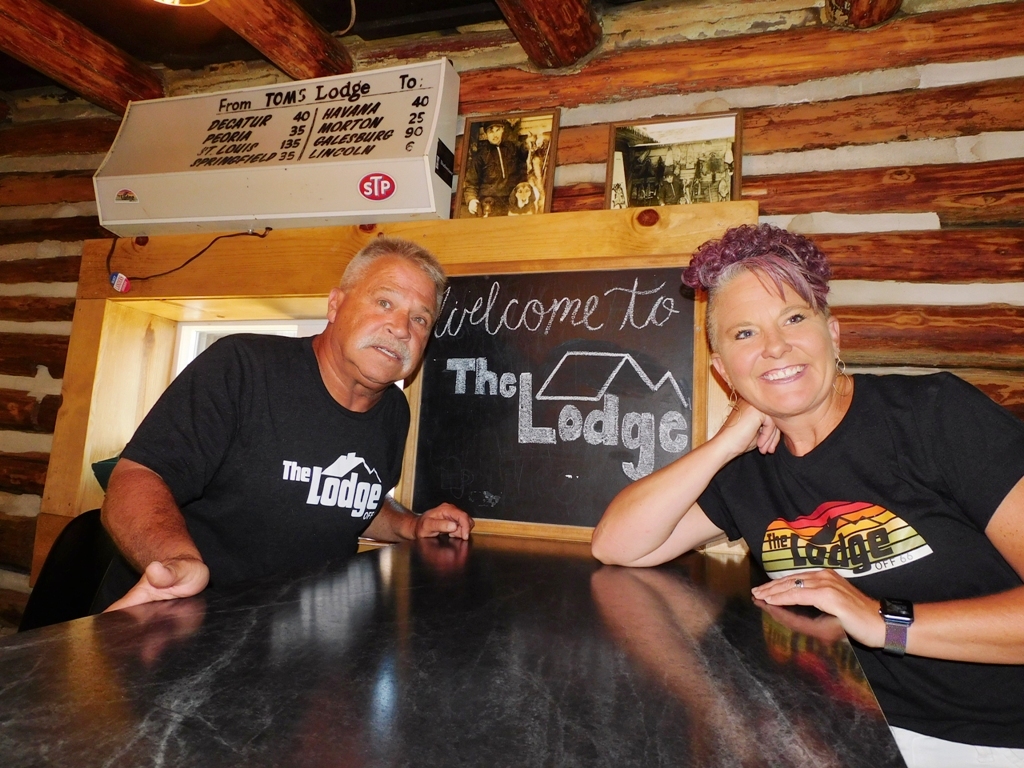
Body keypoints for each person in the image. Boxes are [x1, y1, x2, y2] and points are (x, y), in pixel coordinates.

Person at [591, 223, 1024, 766]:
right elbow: (618, 545)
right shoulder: (749, 465)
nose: (775, 347)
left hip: (995, 738)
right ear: (722, 370)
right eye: (744, 334)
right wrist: (725, 443)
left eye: (794, 318)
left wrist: (882, 621)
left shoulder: (934, 415)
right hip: (843, 733)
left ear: (833, 334)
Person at [100, 236, 474, 611]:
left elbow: (348, 496)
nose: (402, 328)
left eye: (420, 318)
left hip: (297, 633)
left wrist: (411, 525)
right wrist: (176, 560)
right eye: (384, 302)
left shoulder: (394, 411)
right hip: (172, 620)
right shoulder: (241, 367)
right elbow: (137, 476)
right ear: (335, 305)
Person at [463, 120, 528, 217]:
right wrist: (471, 199)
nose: (495, 135)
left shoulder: (512, 148)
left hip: (512, 198)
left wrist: (530, 144)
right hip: (490, 200)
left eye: (497, 130)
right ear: (486, 134)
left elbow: (525, 156)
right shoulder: (481, 155)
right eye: (491, 131)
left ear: (502, 130)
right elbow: (471, 183)